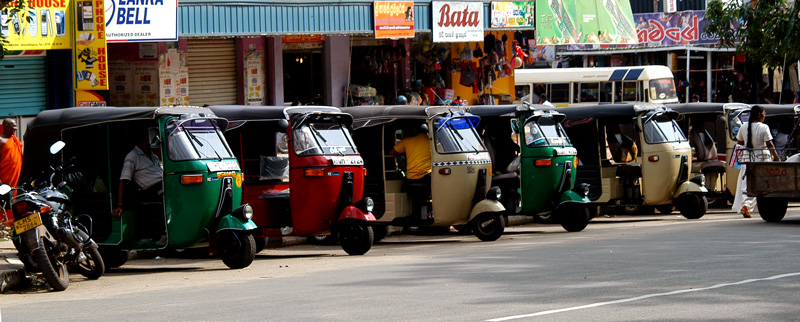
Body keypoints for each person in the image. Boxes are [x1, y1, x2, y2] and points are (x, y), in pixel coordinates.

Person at [113, 132, 166, 243]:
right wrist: (119, 204)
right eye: (148, 141)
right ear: (142, 141)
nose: (150, 144)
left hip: (163, 183)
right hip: (150, 191)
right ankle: (162, 234)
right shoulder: (132, 156)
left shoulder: (153, 156)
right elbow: (123, 180)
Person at [732, 105, 780, 218]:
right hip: (761, 159)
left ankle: (745, 205)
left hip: (747, 158)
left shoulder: (744, 127)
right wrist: (777, 158)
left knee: (747, 184)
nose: (764, 116)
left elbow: (739, 142)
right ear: (759, 115)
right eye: (764, 114)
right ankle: (747, 205)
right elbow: (770, 144)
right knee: (760, 184)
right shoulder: (764, 127)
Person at [388, 124, 432, 219]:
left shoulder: (407, 141)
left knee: (405, 188)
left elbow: (391, 152)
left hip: (411, 178)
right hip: (427, 177)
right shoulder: (431, 142)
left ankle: (411, 212)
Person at [0, 118, 23, 189]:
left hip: (17, 175)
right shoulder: (1, 140)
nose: (16, 128)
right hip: (5, 177)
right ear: (6, 126)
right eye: (14, 126)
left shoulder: (14, 139)